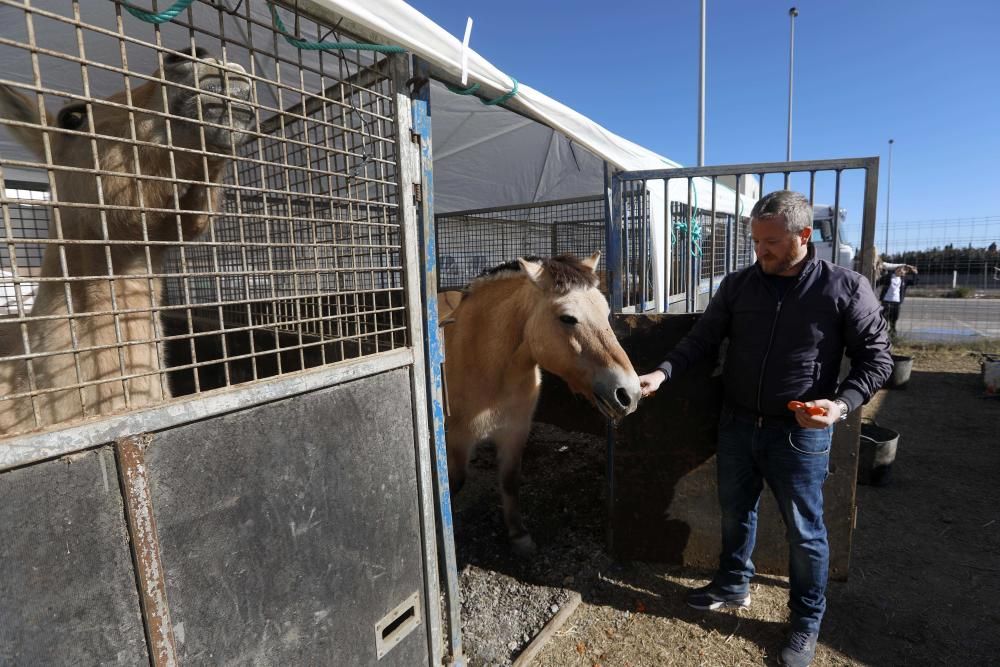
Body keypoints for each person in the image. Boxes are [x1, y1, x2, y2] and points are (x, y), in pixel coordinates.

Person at [638, 191, 892, 667]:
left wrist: (839, 406)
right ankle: (733, 583)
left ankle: (804, 621)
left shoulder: (845, 288)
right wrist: (663, 372)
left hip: (800, 433)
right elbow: (702, 339)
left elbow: (877, 360)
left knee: (805, 532)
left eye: (771, 242)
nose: (760, 250)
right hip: (737, 423)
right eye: (755, 240)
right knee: (736, 512)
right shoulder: (738, 286)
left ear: (804, 235)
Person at [877, 264, 917, 336]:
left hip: (896, 302)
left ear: (905, 273)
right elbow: (878, 282)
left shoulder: (904, 279)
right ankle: (882, 333)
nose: (901, 271)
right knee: (884, 317)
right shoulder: (888, 276)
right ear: (896, 270)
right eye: (899, 269)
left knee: (894, 318)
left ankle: (892, 332)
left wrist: (915, 273)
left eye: (903, 270)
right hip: (886, 301)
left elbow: (914, 282)